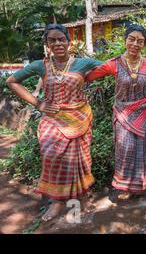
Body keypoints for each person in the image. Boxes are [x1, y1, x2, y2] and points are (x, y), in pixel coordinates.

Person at [6, 24, 102, 221]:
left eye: (61, 39)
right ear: (47, 44)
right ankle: (56, 202)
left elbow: (112, 68)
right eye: (52, 40)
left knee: (79, 160)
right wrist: (38, 103)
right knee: (51, 155)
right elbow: (12, 82)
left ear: (69, 41)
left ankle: (82, 198)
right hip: (52, 119)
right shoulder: (40, 65)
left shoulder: (83, 63)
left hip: (79, 118)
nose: (57, 43)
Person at [86, 24, 146, 200]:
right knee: (126, 148)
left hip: (145, 112)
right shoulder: (114, 64)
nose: (135, 44)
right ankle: (127, 188)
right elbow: (89, 76)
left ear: (144, 44)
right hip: (123, 114)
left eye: (140, 41)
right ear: (125, 40)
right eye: (131, 39)